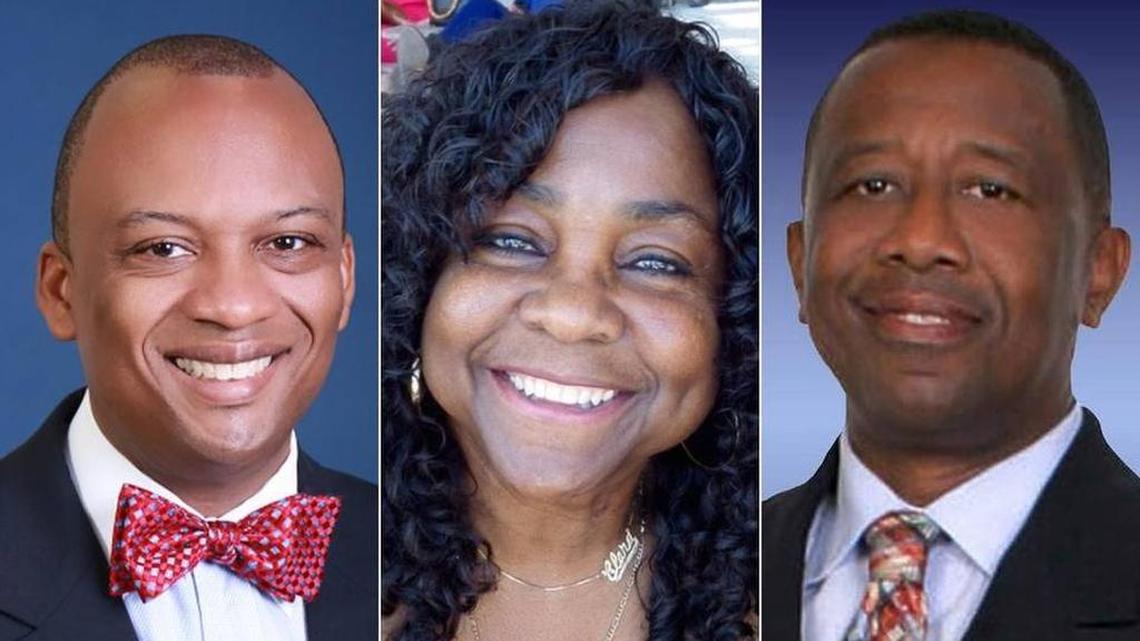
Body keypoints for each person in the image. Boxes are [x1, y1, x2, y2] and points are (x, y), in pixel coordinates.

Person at [381, 3, 758, 640]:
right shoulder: (319, 590)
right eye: (512, 241)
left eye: (656, 261)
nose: (572, 313)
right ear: (418, 281)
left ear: (733, 324)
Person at [764, 9, 1138, 641]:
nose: (920, 239)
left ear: (1098, 272)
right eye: (872, 184)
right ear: (800, 264)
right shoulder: (718, 563)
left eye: (990, 190)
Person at [0, 35, 376, 641]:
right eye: (163, 249)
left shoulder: (408, 549)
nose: (232, 307)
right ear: (61, 292)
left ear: (344, 279)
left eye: (287, 243)